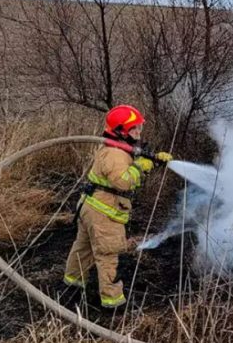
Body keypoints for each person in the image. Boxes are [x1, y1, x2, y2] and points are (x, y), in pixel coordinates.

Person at [63, 105, 172, 308]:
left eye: (139, 128)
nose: (139, 133)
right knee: (108, 255)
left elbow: (127, 165)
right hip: (104, 214)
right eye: (134, 129)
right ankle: (112, 301)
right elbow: (122, 181)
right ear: (121, 131)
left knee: (83, 248)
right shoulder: (115, 153)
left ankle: (73, 284)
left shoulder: (117, 149)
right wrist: (141, 167)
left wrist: (152, 161)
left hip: (91, 208)